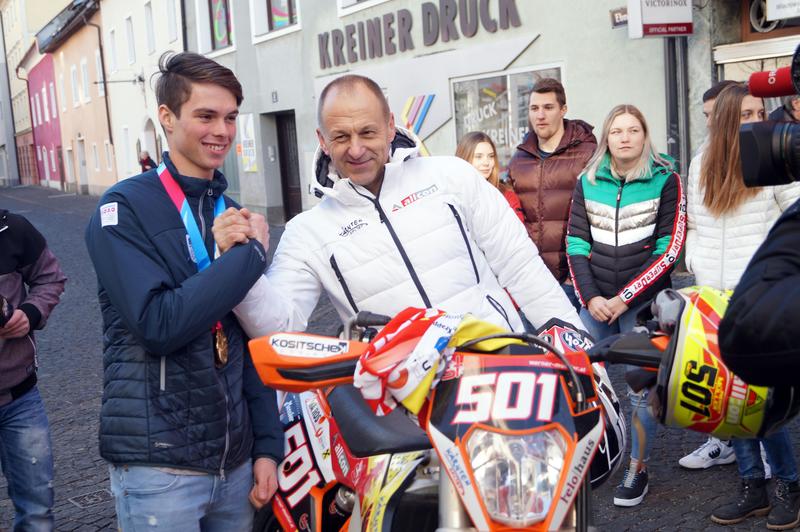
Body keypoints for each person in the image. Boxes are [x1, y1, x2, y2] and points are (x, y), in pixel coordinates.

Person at [214, 74, 584, 342]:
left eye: (368, 132)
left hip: (495, 372)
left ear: (391, 126)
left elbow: (520, 266)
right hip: (395, 415)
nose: (356, 149)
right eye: (341, 136)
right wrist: (238, 266)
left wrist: (577, 349)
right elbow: (280, 327)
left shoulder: (451, 175)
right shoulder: (306, 232)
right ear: (322, 141)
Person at [84, 52, 283, 531]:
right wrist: (249, 257)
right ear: (168, 118)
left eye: (231, 117)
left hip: (234, 463)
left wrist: (267, 447)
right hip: (160, 465)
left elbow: (251, 339)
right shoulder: (123, 209)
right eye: (206, 116)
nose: (222, 131)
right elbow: (159, 324)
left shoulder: (229, 209)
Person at [686, 83, 800, 530]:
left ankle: (789, 484)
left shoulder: (776, 155)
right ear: (729, 116)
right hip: (714, 299)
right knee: (729, 401)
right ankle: (752, 485)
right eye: (749, 113)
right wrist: (697, 270)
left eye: (760, 111)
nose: (759, 120)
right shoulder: (702, 161)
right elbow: (694, 224)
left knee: (766, 401)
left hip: (758, 296)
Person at [566, 104, 686, 507]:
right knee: (574, 377)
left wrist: (625, 298)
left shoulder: (666, 179)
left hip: (641, 304)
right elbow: (576, 244)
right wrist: (593, 298)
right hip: (596, 300)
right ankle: (580, 461)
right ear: (607, 138)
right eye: (617, 131)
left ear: (644, 134)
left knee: (640, 390)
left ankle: (638, 468)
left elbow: (669, 250)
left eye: (633, 130)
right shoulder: (588, 179)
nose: (625, 137)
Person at [677, 79, 740, 471]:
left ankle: (768, 454)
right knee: (719, 369)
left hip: (750, 283)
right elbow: (695, 223)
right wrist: (696, 262)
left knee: (756, 375)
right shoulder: (701, 160)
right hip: (711, 285)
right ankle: (724, 443)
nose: (710, 123)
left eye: (715, 114)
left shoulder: (760, 154)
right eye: (705, 117)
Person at [0, 209, 66, 531]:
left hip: (20, 399)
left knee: (37, 511)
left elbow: (50, 277)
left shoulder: (11, 228)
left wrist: (30, 312)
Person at [508, 78, 597, 312]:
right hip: (532, 280)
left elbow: (600, 216)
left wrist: (577, 273)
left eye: (548, 108)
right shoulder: (519, 160)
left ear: (563, 110)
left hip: (574, 279)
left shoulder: (588, 155)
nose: (540, 115)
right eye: (534, 108)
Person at [455, 131, 523, 222]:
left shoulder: (506, 196)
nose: (486, 163)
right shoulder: (452, 196)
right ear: (464, 158)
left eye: (490, 156)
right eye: (478, 157)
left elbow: (516, 232)